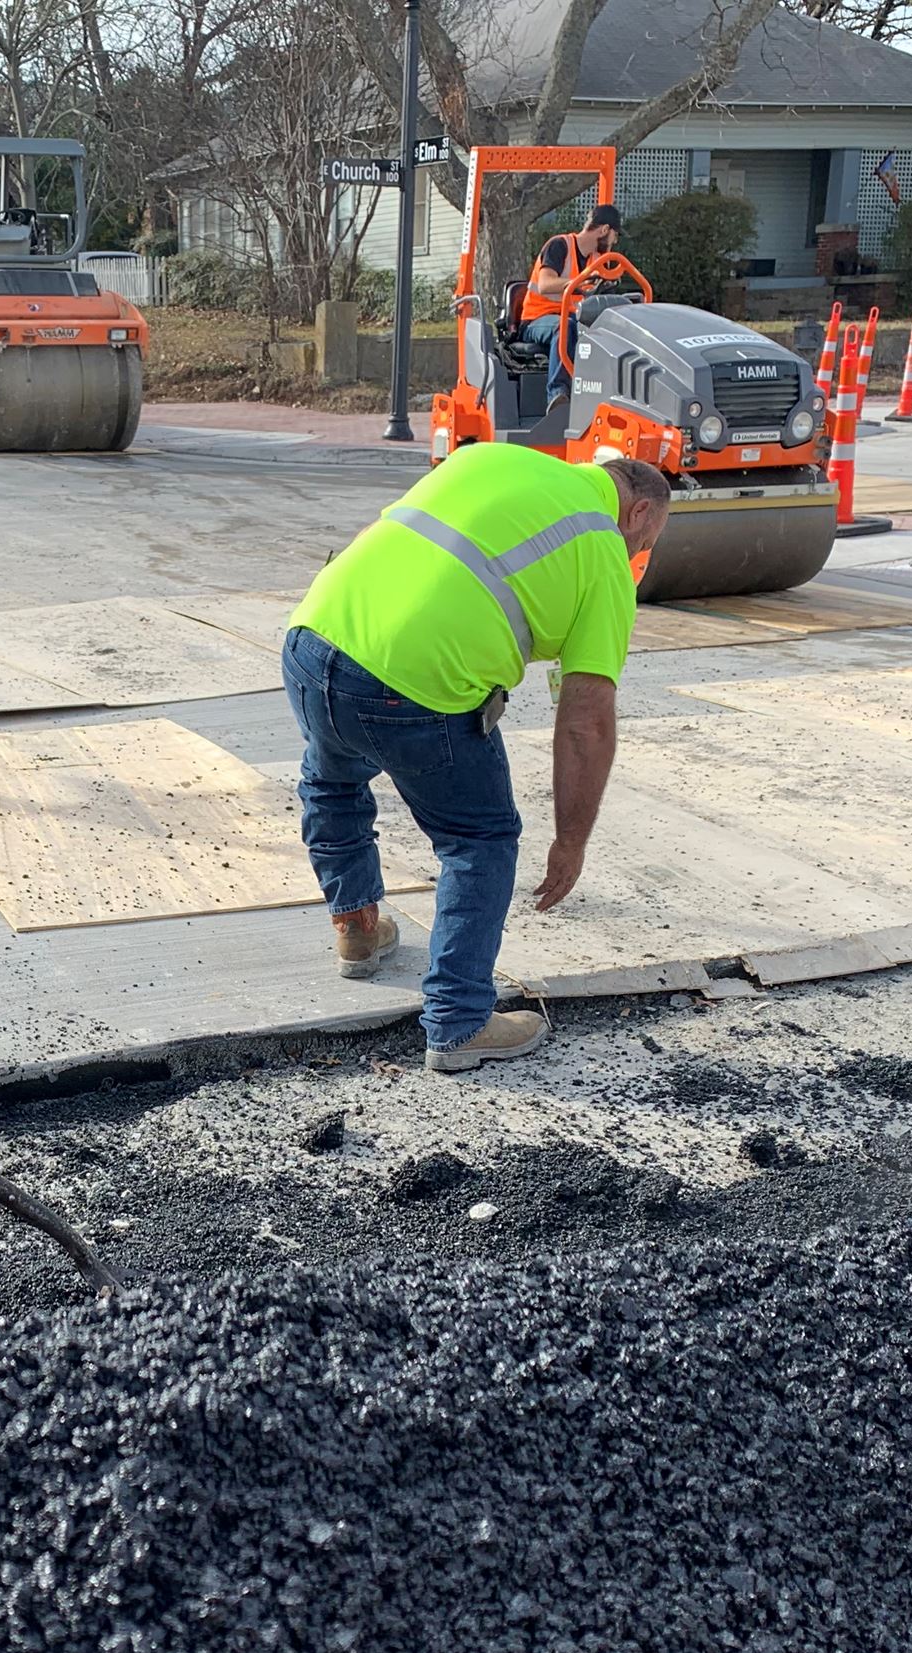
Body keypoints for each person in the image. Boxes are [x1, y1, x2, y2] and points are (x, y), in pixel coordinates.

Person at [280, 446, 673, 1073]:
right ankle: (459, 1025)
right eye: (644, 544)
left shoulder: (491, 457)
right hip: (411, 686)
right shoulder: (603, 549)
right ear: (640, 511)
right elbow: (586, 723)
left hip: (312, 639)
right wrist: (570, 843)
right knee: (480, 839)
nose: (636, 558)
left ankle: (357, 929)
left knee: (333, 779)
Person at [519, 201, 626, 380]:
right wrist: (579, 283)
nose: (614, 242)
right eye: (615, 236)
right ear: (605, 230)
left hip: (573, 320)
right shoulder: (559, 246)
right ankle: (559, 392)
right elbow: (545, 284)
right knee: (565, 327)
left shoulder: (599, 261)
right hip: (537, 320)